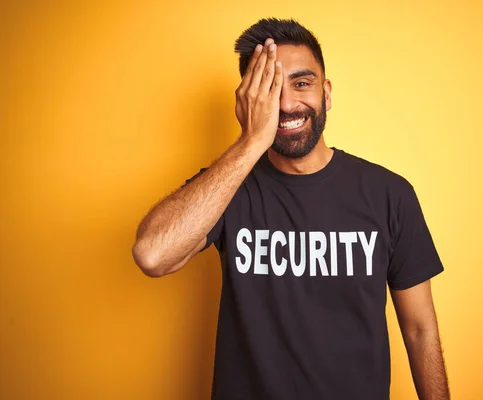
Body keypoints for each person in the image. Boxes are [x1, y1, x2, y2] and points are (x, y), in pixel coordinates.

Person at [132, 18, 450, 400]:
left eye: (301, 83)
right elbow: (152, 255)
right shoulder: (225, 186)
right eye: (269, 91)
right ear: (249, 101)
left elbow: (419, 329)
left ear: (326, 92)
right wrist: (251, 142)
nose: (286, 104)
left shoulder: (389, 194)